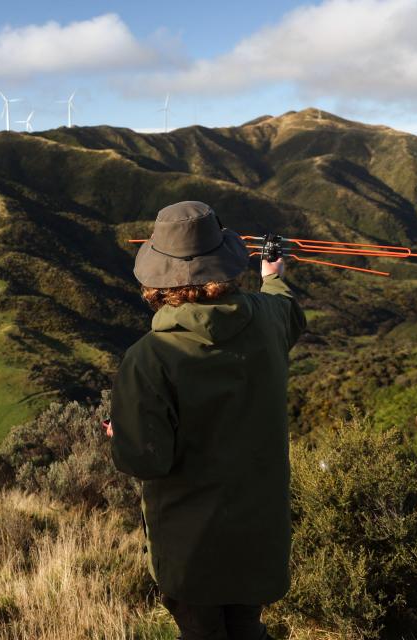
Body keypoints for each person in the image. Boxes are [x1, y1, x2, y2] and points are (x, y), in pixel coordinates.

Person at [107, 201, 305, 640]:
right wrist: (273, 277)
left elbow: (145, 460)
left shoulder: (149, 359)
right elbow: (285, 309)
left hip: (190, 545)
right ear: (226, 263)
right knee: (247, 626)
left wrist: (120, 432)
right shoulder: (268, 322)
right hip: (259, 534)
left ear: (157, 281)